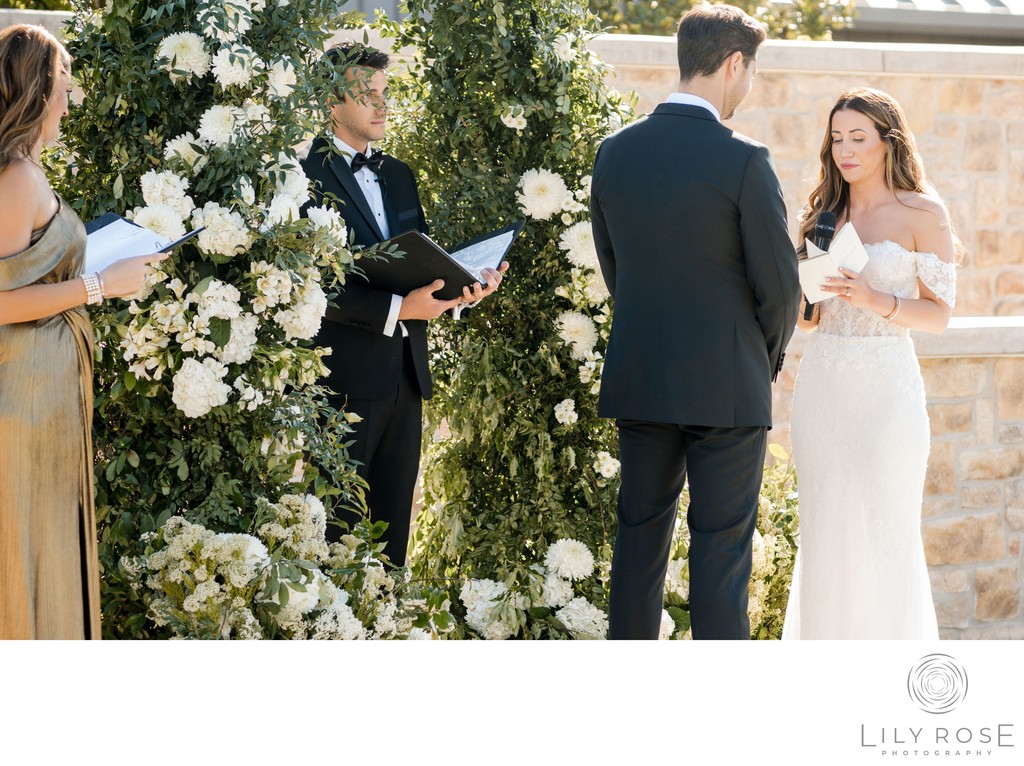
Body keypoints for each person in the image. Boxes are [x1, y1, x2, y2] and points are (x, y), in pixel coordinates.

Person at [590, 5, 801, 640]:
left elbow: (615, 268)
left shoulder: (614, 152)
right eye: (751, 71)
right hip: (727, 388)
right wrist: (758, 358)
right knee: (721, 554)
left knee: (637, 541)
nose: (748, 86)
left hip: (642, 377)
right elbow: (781, 289)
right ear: (735, 63)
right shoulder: (743, 158)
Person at [300, 44, 506, 567]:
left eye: (384, 95)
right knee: (334, 538)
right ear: (330, 101)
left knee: (393, 542)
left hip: (407, 378)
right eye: (367, 95)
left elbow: (420, 267)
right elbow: (306, 285)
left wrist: (465, 290)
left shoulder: (399, 174)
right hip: (339, 381)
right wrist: (396, 311)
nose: (380, 106)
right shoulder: (301, 178)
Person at [0, 24, 166, 639]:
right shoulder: (15, 178)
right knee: (28, 553)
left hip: (47, 395)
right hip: (21, 396)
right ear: (38, 91)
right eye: (65, 87)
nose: (71, 102)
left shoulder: (25, 171)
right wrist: (103, 285)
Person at [783, 87, 958, 640]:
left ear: (888, 142)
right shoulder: (822, 216)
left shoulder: (923, 213)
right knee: (826, 533)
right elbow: (808, 321)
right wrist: (804, 291)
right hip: (823, 389)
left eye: (858, 137)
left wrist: (874, 299)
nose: (845, 149)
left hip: (887, 391)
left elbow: (939, 316)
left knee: (887, 535)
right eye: (837, 138)